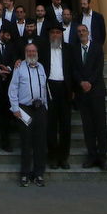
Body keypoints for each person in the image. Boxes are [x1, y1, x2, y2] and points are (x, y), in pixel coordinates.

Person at [8, 41, 50, 187]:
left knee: (40, 142)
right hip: (25, 109)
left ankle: (38, 174)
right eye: (29, 52)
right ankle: (25, 173)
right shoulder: (19, 68)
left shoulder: (41, 67)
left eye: (33, 51)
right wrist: (15, 108)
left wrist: (46, 106)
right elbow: (13, 88)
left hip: (40, 109)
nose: (31, 54)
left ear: (37, 53)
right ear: (25, 54)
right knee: (26, 142)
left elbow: (45, 87)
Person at [70, 23, 107, 170]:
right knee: (88, 126)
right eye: (79, 31)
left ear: (88, 32)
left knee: (100, 125)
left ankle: (102, 157)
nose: (81, 33)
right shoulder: (74, 50)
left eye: (83, 30)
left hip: (96, 91)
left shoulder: (97, 47)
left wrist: (89, 82)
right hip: (82, 92)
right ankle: (92, 155)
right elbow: (73, 68)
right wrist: (81, 82)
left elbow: (99, 68)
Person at [43, 25, 73, 170]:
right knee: (51, 125)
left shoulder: (69, 49)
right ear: (49, 35)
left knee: (66, 125)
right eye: (53, 32)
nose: (55, 35)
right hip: (49, 89)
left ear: (61, 34)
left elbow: (73, 70)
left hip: (64, 89)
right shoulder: (43, 50)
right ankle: (53, 156)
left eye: (58, 32)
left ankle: (64, 157)